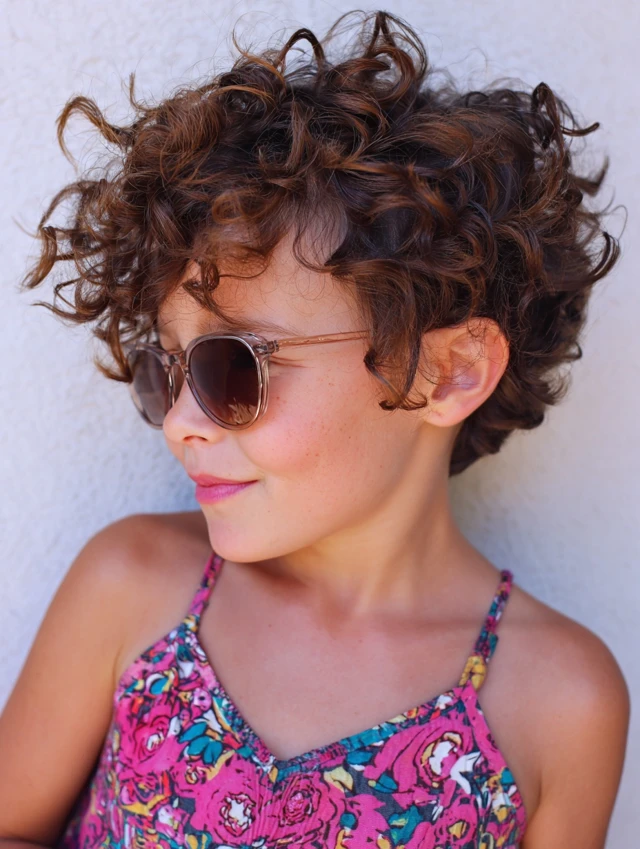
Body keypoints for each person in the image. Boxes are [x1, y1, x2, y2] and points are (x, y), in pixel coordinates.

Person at [0, 9, 630, 849]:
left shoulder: (558, 702)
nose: (180, 423)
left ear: (448, 371)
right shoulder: (132, 588)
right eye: (170, 371)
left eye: (233, 368)